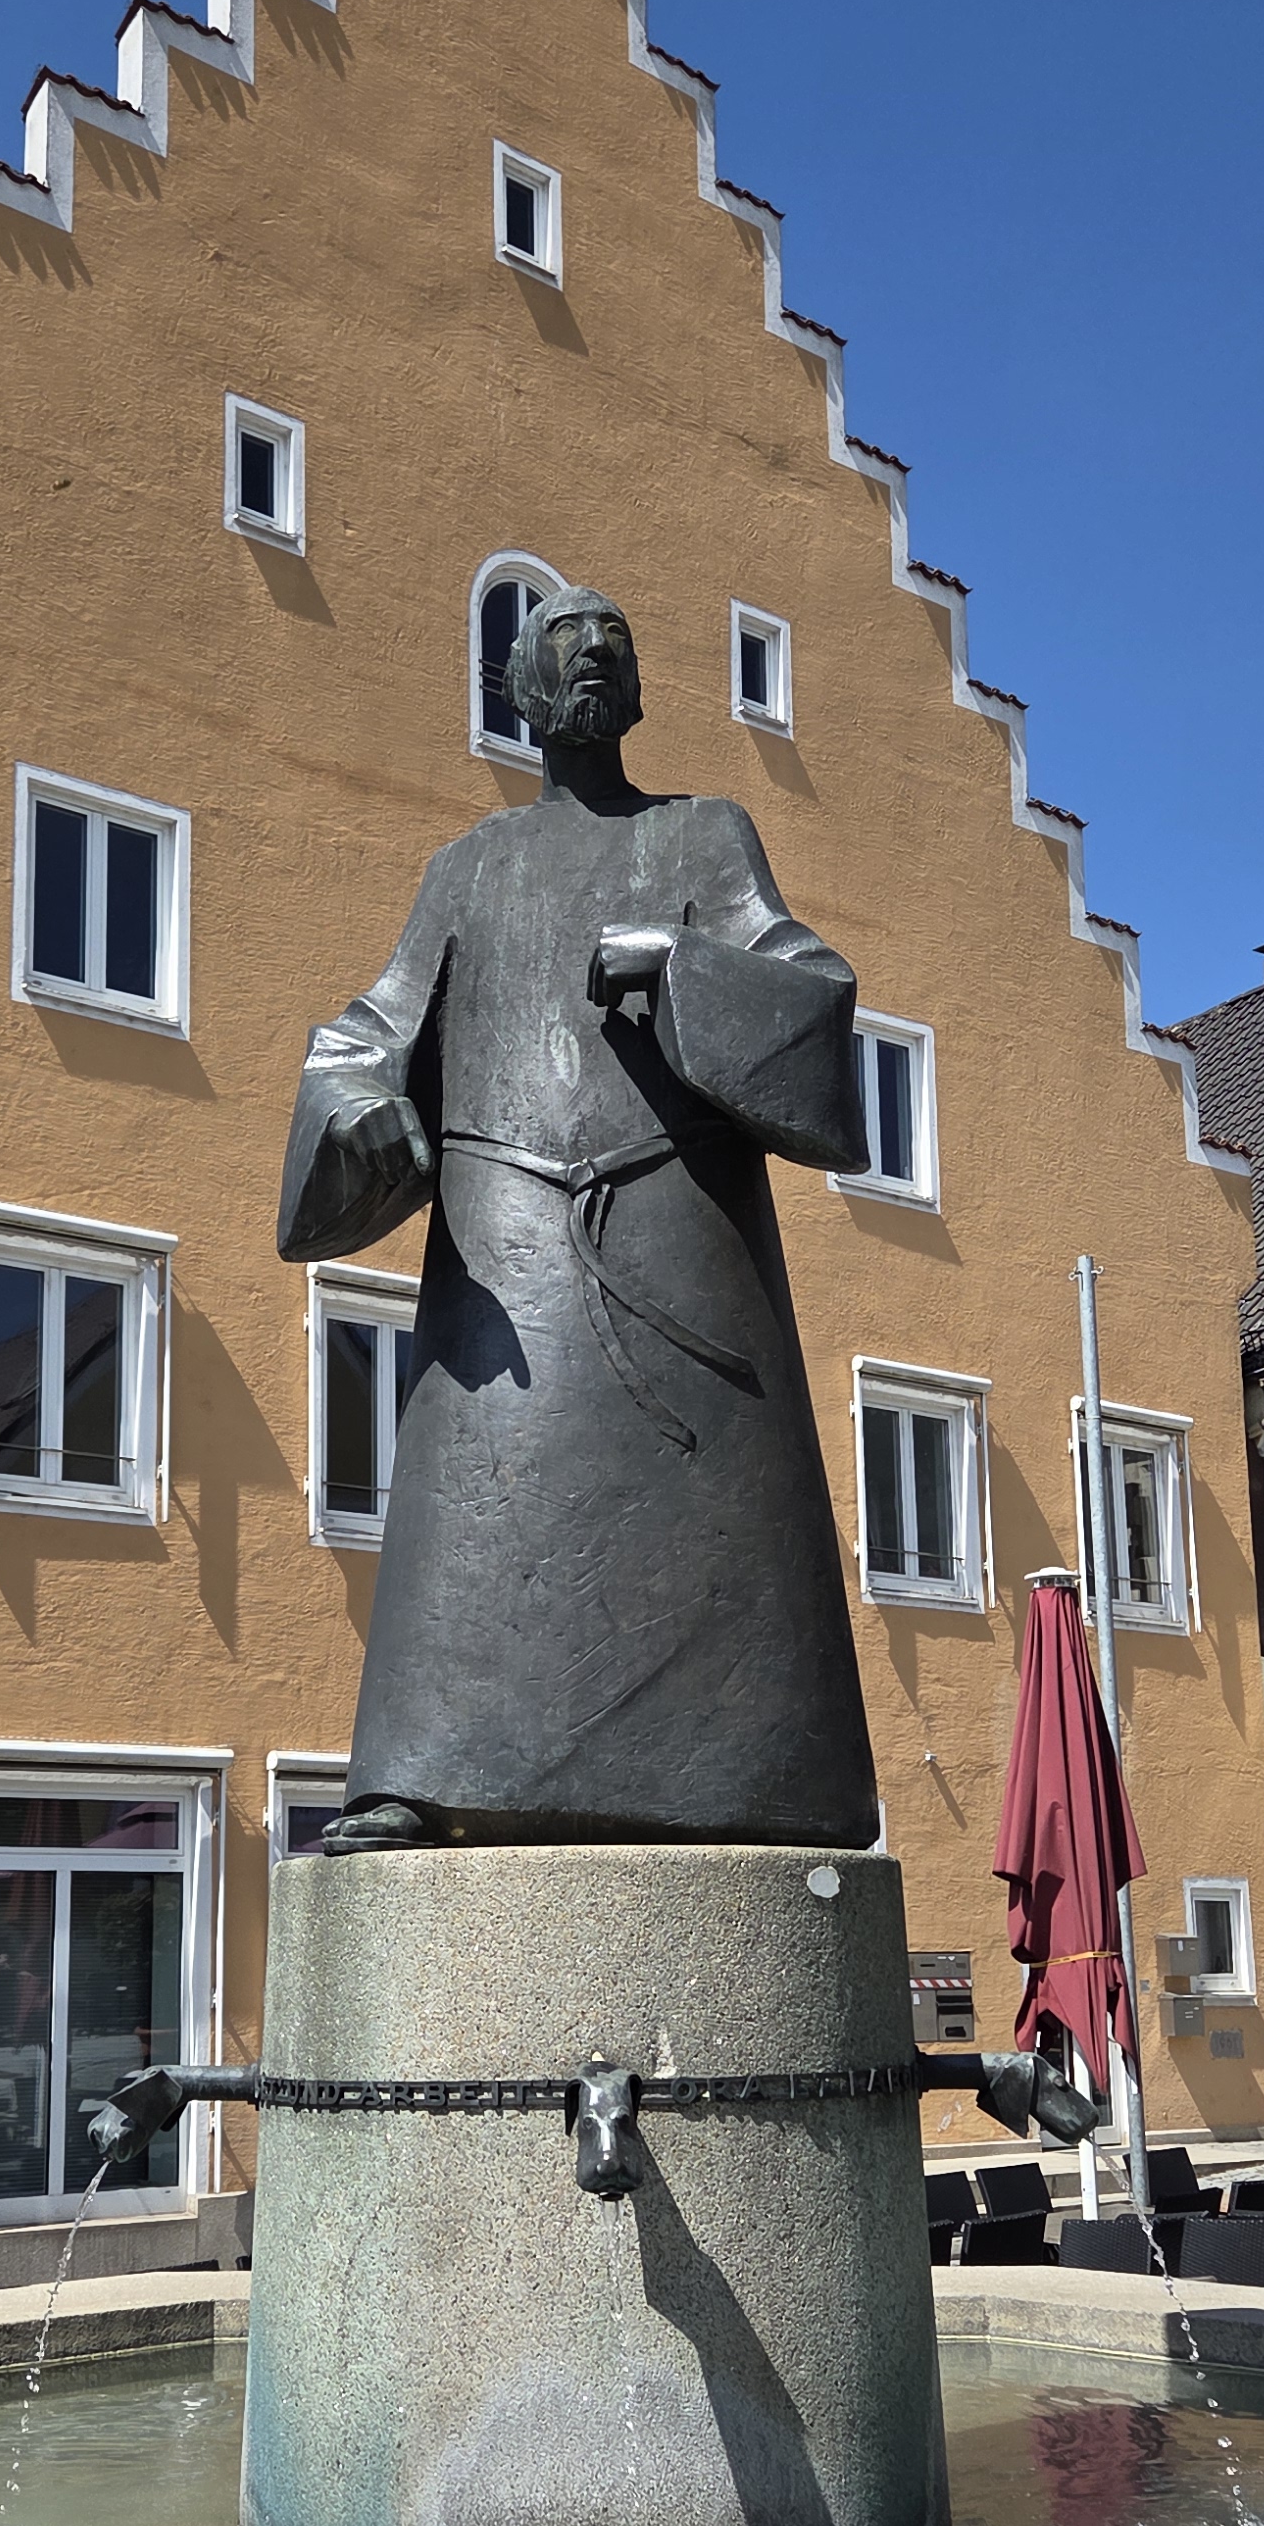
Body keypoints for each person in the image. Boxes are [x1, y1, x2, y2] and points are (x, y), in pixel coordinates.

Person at [276, 584, 878, 1852]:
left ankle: (755, 1779)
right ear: (521, 693)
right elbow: (367, 1033)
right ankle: (428, 1776)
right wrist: (360, 1108)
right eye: (565, 642)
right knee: (478, 1513)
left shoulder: (704, 835)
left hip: (681, 1243)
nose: (595, 655)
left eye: (615, 642)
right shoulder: (469, 865)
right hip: (506, 1262)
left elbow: (814, 992)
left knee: (710, 1531)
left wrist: (682, 965)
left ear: (641, 692)